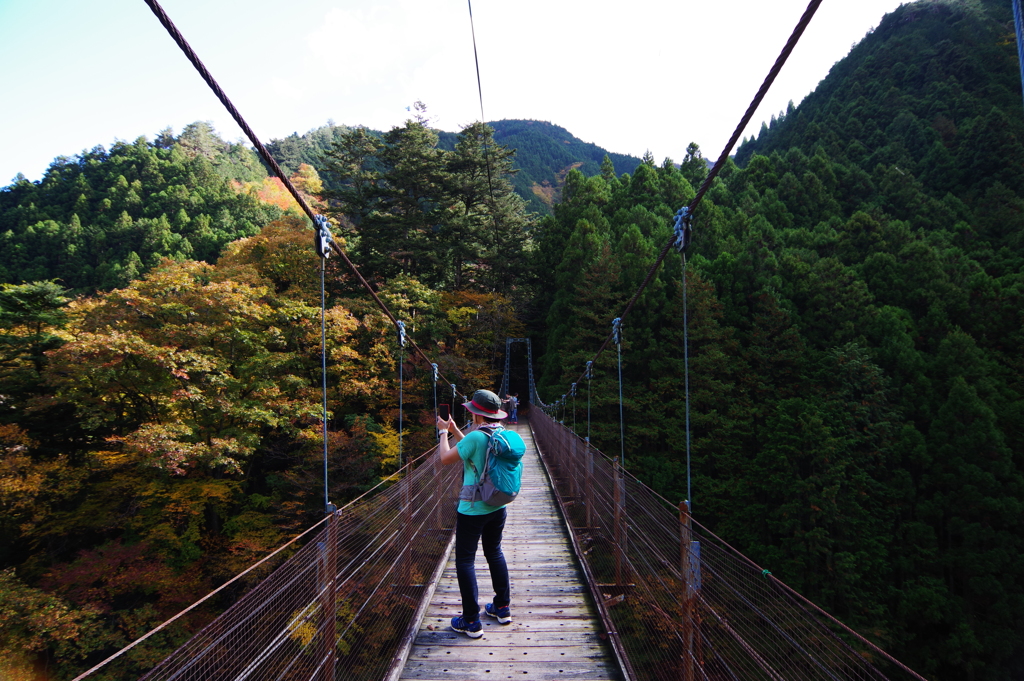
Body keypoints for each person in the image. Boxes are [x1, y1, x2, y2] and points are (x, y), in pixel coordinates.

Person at [437, 389, 513, 638]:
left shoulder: (475, 438)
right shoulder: (501, 433)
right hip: (497, 505)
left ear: (476, 414)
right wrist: (455, 431)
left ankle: (470, 620)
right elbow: (472, 450)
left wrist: (442, 432)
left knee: (465, 561)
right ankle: (502, 607)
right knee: (494, 552)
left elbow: (446, 458)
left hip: (472, 509)